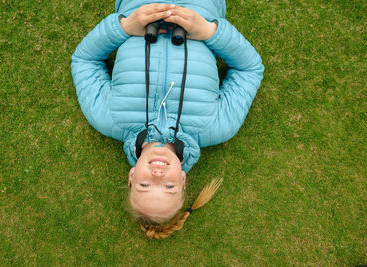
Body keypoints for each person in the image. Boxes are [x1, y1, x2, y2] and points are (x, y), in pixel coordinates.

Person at [71, 1, 264, 239]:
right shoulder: (218, 127)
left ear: (132, 177)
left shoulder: (107, 118)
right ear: (182, 181)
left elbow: (84, 61)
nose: (157, 176)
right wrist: (210, 32)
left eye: (144, 185)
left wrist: (125, 26)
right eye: (169, 187)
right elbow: (249, 69)